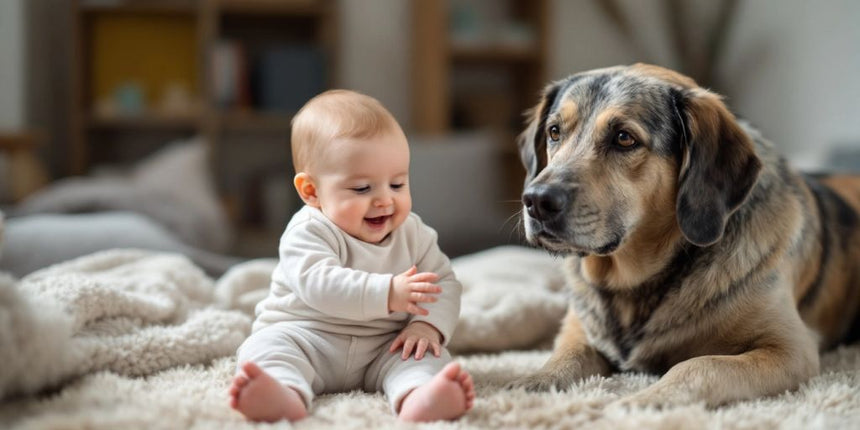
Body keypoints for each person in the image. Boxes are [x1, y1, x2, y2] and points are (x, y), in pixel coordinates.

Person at [228, 90, 475, 423]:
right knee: (266, 349)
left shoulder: (413, 233)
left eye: (398, 184)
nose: (384, 200)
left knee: (425, 355)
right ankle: (281, 393)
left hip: (384, 346)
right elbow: (319, 283)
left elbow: (443, 281)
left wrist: (427, 326)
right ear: (311, 192)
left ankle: (422, 396)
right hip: (307, 336)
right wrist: (387, 293)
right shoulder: (307, 231)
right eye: (362, 189)